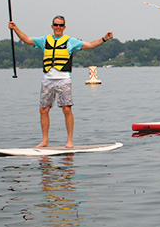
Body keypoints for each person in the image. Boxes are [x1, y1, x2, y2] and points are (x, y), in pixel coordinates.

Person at [9, 16, 113, 148]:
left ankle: (70, 140)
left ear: (64, 27)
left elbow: (90, 45)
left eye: (60, 25)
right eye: (55, 25)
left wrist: (104, 38)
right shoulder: (44, 40)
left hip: (64, 79)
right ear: (52, 26)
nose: (58, 27)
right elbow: (26, 39)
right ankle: (45, 141)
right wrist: (15, 28)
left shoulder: (70, 41)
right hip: (47, 80)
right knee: (43, 110)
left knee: (66, 109)